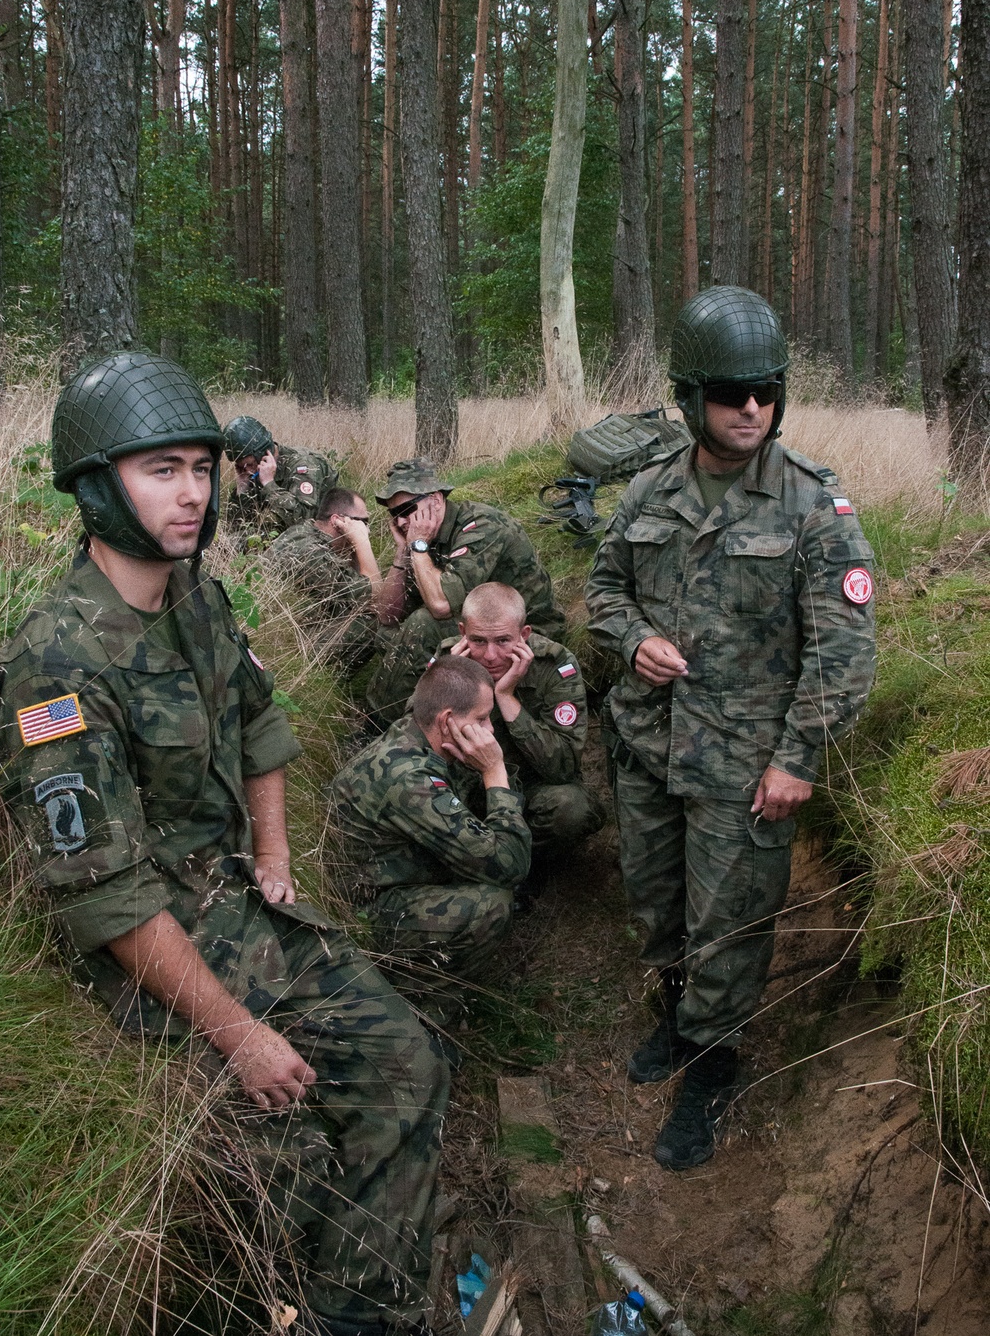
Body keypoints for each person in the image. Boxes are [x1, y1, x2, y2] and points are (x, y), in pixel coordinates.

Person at [0, 352, 449, 1336]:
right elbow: (103, 892)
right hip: (151, 956)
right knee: (284, 1165)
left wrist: (275, 856)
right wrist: (238, 1034)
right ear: (95, 486)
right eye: (162, 470)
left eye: (201, 467)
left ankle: (361, 1314)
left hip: (241, 904)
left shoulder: (198, 598)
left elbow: (260, 727)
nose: (193, 492)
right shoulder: (55, 669)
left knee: (407, 1059)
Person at [584, 286, 876, 1172]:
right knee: (658, 903)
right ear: (690, 397)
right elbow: (603, 593)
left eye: (766, 390)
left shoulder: (813, 506)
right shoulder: (649, 490)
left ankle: (713, 1066)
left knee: (731, 923)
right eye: (731, 392)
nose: (752, 407)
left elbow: (843, 651)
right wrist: (634, 642)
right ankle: (678, 1018)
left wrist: (798, 760)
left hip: (746, 766)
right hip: (647, 748)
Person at [329, 655, 531, 1025]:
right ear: (447, 721)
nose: (489, 730)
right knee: (492, 904)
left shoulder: (420, 732)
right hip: (369, 913)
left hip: (403, 875)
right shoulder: (408, 777)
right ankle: (427, 1011)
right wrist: (494, 771)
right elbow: (509, 866)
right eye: (482, 719)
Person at [366, 458, 565, 727]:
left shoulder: (481, 526)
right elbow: (387, 615)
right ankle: (415, 715)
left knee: (423, 624)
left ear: (436, 500)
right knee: (385, 634)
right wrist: (404, 550)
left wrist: (418, 546)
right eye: (394, 515)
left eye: (407, 509)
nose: (401, 520)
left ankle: (380, 724)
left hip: (521, 632)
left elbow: (440, 605)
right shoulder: (424, 537)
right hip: (477, 626)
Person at [440, 582, 605, 867]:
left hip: (529, 787)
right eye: (479, 641)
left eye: (503, 641)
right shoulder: (450, 660)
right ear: (463, 633)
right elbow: (416, 739)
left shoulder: (555, 665)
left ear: (524, 634)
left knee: (571, 809)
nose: (490, 656)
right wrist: (453, 683)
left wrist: (505, 696)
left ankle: (526, 872)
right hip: (465, 785)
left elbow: (563, 767)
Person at [268, 487, 380, 672]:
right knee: (371, 621)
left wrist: (353, 548)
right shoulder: (310, 553)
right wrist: (362, 543)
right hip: (280, 645)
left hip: (287, 625)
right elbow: (375, 597)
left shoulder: (306, 531)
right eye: (362, 522)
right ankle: (322, 681)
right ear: (338, 521)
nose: (366, 529)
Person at [223, 413, 339, 535]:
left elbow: (303, 518)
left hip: (315, 534)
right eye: (241, 467)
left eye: (250, 464)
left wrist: (269, 485)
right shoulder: (253, 471)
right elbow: (233, 527)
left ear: (263, 453)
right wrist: (242, 489)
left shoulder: (303, 466)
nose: (248, 471)